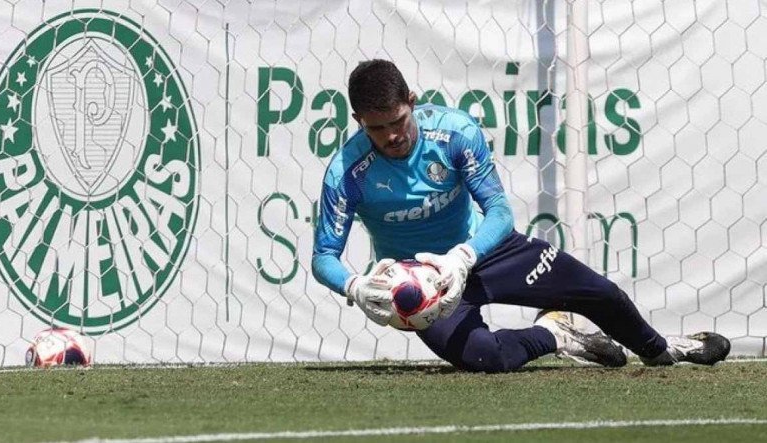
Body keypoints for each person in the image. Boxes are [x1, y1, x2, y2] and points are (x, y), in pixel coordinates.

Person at [311, 59, 730, 373]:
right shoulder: (347, 171)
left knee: (600, 294)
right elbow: (323, 255)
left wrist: (463, 256)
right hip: (424, 284)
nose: (392, 136)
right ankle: (555, 334)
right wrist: (355, 285)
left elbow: (498, 211)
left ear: (412, 104)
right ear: (358, 122)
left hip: (485, 251)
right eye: (377, 129)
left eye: (398, 121)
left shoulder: (455, 133)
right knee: (483, 357)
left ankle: (665, 350)